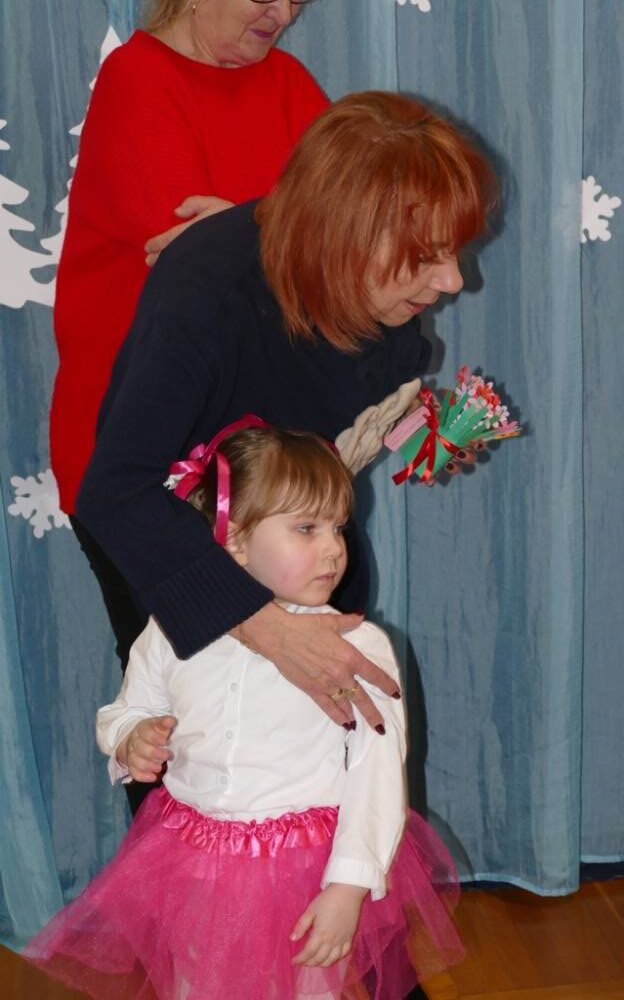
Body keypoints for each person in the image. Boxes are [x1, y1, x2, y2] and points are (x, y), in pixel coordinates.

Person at [76, 91, 496, 770]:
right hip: (171, 537)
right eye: (425, 257)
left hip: (290, 536)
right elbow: (117, 494)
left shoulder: (367, 287)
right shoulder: (207, 295)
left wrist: (421, 436)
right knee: (199, 766)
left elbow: (364, 400)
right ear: (342, 236)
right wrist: (266, 628)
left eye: (454, 252)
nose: (452, 281)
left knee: (324, 767)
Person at [25, 424, 465, 999]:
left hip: (305, 874)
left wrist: (349, 885)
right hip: (192, 865)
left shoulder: (357, 648)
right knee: (196, 985)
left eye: (338, 527)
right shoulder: (173, 629)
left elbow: (376, 773)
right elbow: (127, 708)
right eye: (306, 528)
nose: (334, 548)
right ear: (233, 538)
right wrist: (132, 737)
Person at [49, 0, 327, 660]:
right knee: (181, 688)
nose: (283, 13)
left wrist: (245, 229)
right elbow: (190, 259)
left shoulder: (289, 83)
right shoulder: (137, 77)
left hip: (267, 454)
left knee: (277, 696)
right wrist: (292, 234)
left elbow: (360, 232)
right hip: (143, 460)